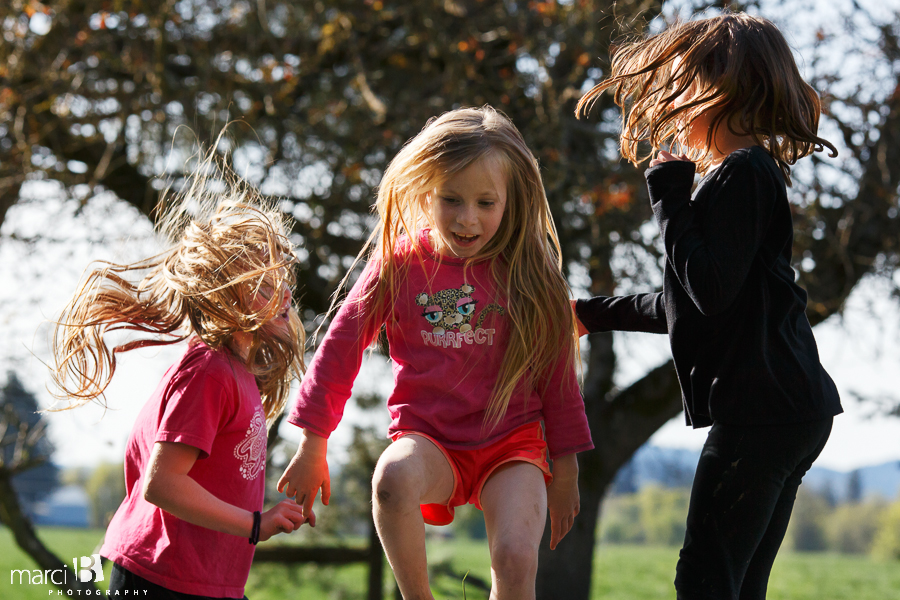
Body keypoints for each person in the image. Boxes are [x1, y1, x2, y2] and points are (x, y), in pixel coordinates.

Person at [573, 13, 843, 600]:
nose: (675, 104)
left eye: (684, 86)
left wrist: (669, 196)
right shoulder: (743, 176)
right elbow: (690, 300)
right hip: (787, 407)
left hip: (764, 409)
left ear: (722, 91)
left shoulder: (744, 173)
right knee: (738, 584)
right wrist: (589, 314)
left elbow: (707, 288)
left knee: (705, 579)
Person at [277, 106, 593, 600]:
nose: (468, 219)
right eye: (452, 199)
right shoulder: (400, 263)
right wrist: (313, 442)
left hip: (511, 446)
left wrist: (568, 467)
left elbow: (557, 373)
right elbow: (341, 345)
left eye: (486, 203)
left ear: (511, 200)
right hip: (430, 441)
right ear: (426, 192)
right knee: (391, 478)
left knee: (514, 557)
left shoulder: (531, 274)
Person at [50, 147, 308, 599]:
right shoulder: (209, 370)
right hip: (162, 578)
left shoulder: (238, 372)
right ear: (225, 296)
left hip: (207, 582)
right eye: (263, 282)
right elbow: (163, 484)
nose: (283, 291)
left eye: (282, 274)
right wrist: (256, 523)